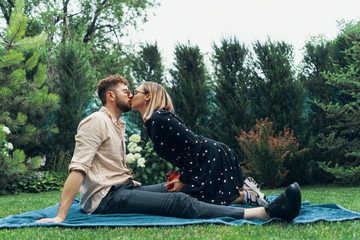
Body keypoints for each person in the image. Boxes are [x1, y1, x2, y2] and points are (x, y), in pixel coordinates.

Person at [37, 75, 301, 223]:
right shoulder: (95, 121)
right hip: (107, 199)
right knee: (180, 201)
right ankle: (265, 212)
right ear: (110, 95)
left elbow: (104, 166)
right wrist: (61, 216)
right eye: (126, 91)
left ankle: (247, 196)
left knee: (183, 188)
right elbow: (78, 168)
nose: (130, 95)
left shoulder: (117, 125)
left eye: (132, 91)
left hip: (124, 188)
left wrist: (126, 175)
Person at [131, 81, 268, 207]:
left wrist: (183, 179)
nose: (131, 96)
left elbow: (193, 143)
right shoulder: (152, 122)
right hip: (204, 157)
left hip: (210, 156)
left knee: (204, 200)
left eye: (135, 93)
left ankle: (248, 194)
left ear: (148, 96)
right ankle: (247, 191)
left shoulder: (159, 117)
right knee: (207, 198)